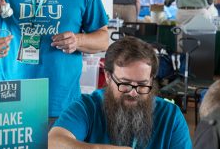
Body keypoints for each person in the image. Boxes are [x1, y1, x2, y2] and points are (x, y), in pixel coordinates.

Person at [48, 36, 192, 149]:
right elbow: (52, 143)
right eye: (125, 84)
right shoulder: (87, 107)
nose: (134, 93)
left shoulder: (170, 116)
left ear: (152, 79)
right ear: (108, 76)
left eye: (142, 85)